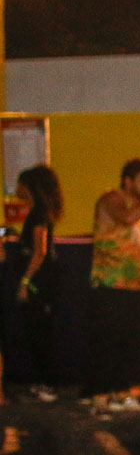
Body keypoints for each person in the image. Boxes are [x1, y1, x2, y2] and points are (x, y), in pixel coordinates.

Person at [84, 158, 140, 411]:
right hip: (110, 285)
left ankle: (119, 393)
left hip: (136, 288)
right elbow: (126, 218)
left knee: (129, 344)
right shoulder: (112, 199)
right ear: (128, 181)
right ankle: (101, 396)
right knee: (108, 342)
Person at [14, 165, 64, 401]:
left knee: (41, 333)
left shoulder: (39, 216)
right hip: (43, 282)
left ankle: (47, 385)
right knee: (37, 333)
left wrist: (25, 282)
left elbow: (40, 251)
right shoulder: (37, 214)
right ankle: (42, 383)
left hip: (40, 284)